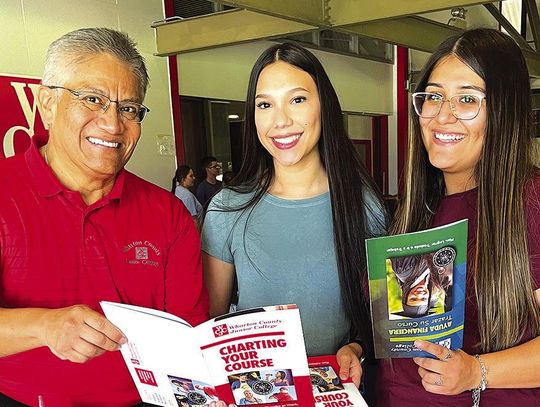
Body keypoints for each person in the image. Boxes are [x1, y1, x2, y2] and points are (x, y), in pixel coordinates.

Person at [0, 27, 224, 407]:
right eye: (92, 99)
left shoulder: (168, 212)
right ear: (48, 104)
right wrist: (44, 326)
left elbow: (189, 327)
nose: (113, 124)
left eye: (129, 108)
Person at [201, 42, 386, 391]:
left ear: (324, 106)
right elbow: (211, 324)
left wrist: (357, 347)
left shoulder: (364, 206)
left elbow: (379, 319)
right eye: (265, 104)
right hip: (257, 392)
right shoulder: (227, 209)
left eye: (297, 100)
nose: (280, 120)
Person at [378, 28, 540, 406]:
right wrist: (359, 350)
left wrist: (476, 371)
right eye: (434, 97)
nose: (442, 116)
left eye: (467, 99)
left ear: (503, 111)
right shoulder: (419, 205)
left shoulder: (529, 202)